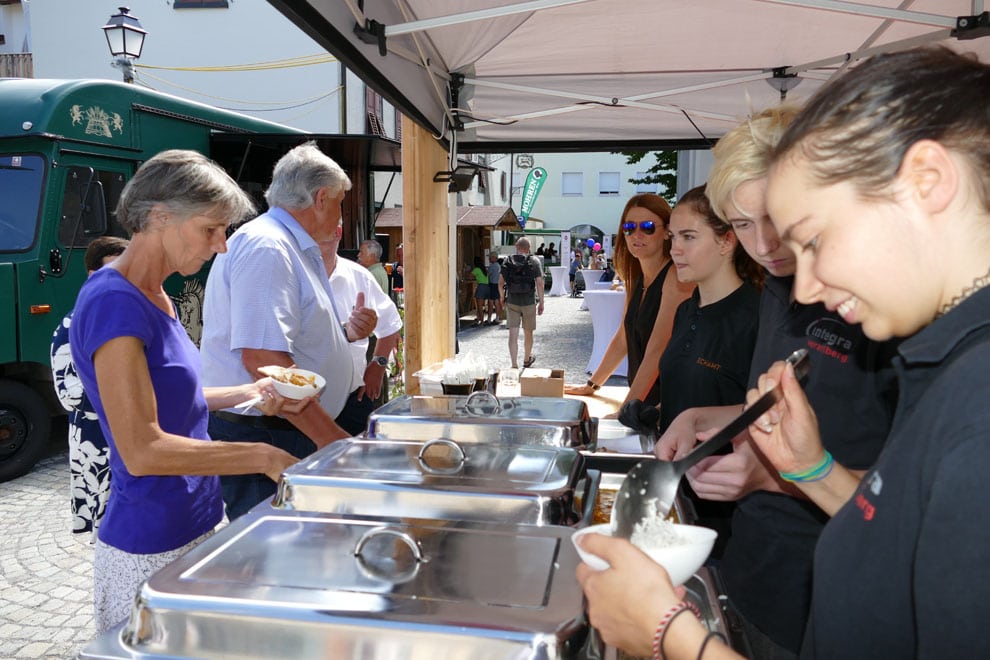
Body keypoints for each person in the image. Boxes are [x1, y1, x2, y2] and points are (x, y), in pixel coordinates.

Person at [580, 46, 985, 659]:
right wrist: (811, 469)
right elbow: (901, 527)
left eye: (814, 238)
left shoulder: (975, 397)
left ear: (928, 181)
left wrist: (672, 637)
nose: (805, 287)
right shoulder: (946, 361)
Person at [68, 150, 305, 633]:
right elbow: (143, 450)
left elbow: (178, 398)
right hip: (150, 540)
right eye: (210, 229)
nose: (221, 245)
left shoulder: (157, 295)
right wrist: (263, 456)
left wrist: (251, 391)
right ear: (159, 216)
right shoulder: (114, 302)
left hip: (194, 520)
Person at [201, 142, 377, 520]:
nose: (340, 214)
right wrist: (330, 439)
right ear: (321, 198)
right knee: (276, 542)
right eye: (340, 202)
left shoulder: (285, 244)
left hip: (285, 426)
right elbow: (264, 359)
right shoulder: (269, 246)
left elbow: (291, 335)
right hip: (271, 429)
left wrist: (343, 334)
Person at [565, 194, 693, 407]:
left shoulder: (675, 277)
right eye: (629, 227)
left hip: (670, 407)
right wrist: (592, 385)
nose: (636, 234)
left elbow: (657, 349)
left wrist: (629, 406)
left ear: (667, 232)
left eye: (648, 227)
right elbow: (624, 337)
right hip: (646, 402)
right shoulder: (637, 278)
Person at [50, 236, 128, 540]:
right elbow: (70, 394)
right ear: (93, 275)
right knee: (111, 528)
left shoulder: (123, 317)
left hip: (121, 435)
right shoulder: (73, 323)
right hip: (97, 439)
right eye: (116, 270)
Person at [320, 229, 402, 436]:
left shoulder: (359, 276)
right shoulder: (288, 274)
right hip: (300, 406)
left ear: (337, 232)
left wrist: (378, 365)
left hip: (352, 400)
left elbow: (390, 322)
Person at [499, 237, 544, 369]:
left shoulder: (508, 261)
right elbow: (540, 283)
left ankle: (514, 364)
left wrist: (502, 298)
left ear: (516, 246)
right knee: (528, 332)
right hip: (529, 302)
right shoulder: (534, 261)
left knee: (513, 334)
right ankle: (526, 359)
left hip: (512, 302)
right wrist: (542, 302)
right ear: (528, 248)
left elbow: (500, 283)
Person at [470, 256, 489, 326]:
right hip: (487, 287)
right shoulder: (484, 269)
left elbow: (469, 276)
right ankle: (479, 319)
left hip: (481, 287)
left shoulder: (477, 269)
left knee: (479, 306)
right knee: (481, 305)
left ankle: (482, 321)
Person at [485, 250, 502, 325]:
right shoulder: (498, 266)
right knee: (497, 302)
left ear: (495, 258)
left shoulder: (492, 266)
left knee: (491, 303)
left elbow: (487, 274)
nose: (489, 259)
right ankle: (497, 318)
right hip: (497, 285)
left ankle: (489, 319)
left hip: (492, 285)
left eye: (490, 257)